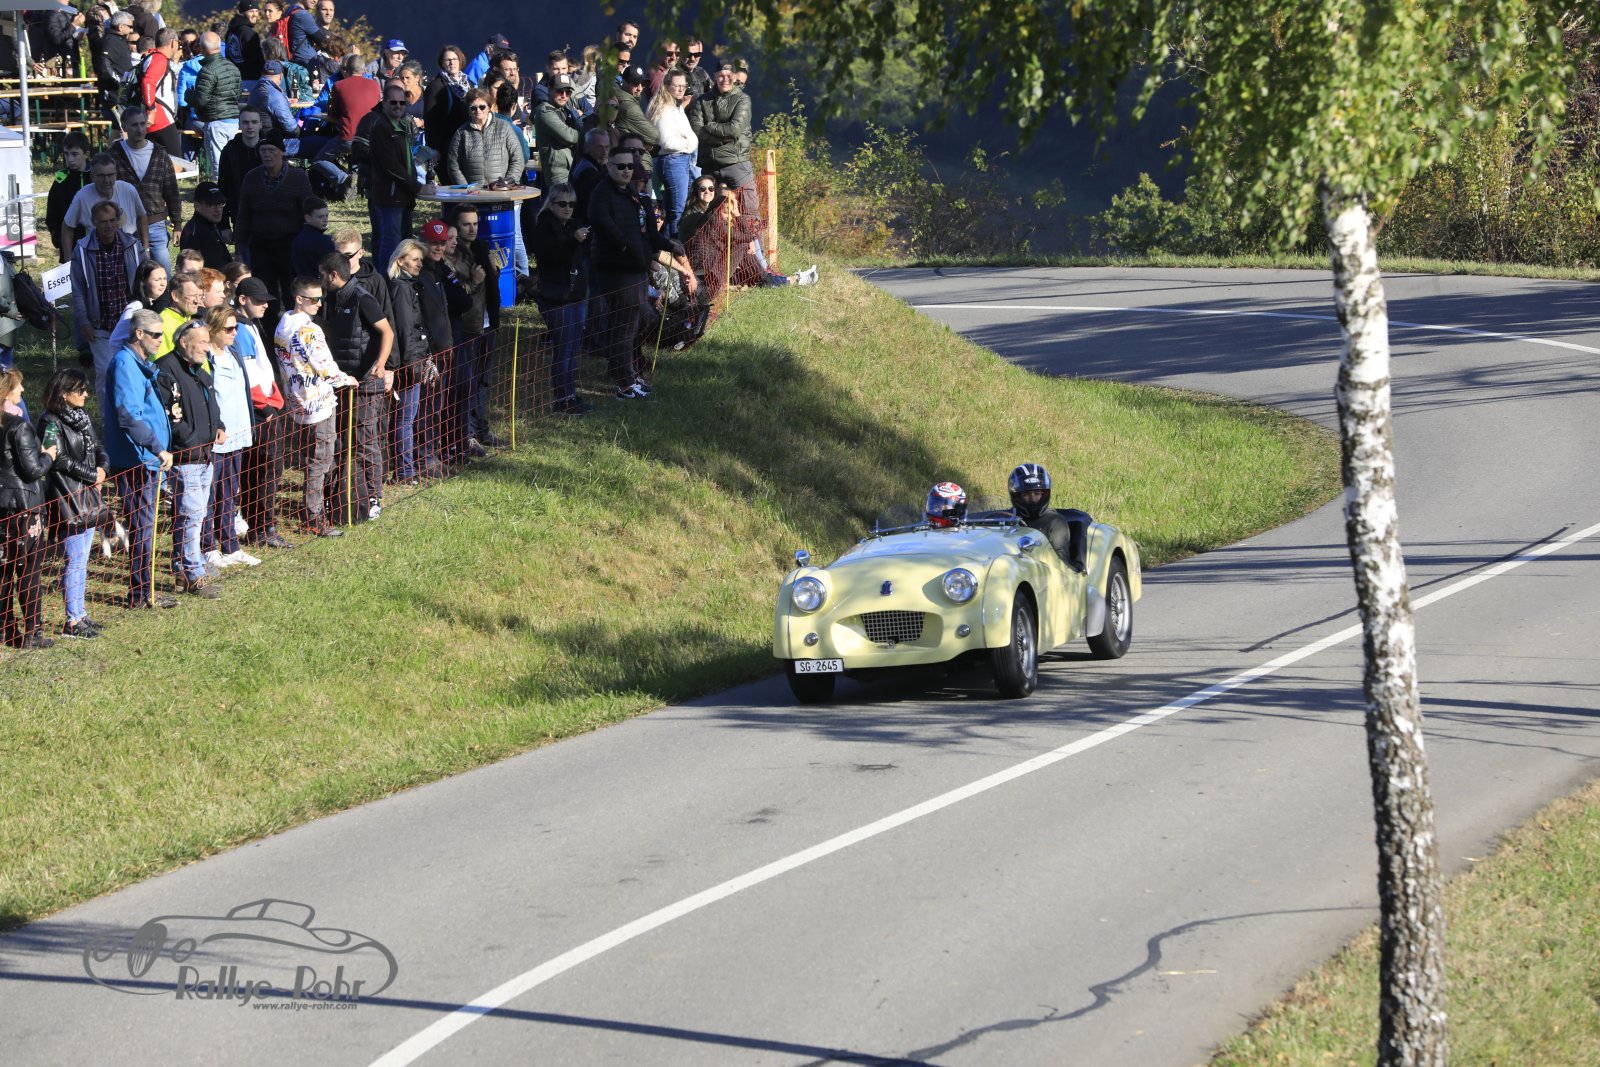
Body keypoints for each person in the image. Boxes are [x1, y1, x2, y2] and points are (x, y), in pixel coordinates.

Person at [587, 148, 695, 400]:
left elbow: (650, 235)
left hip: (637, 268)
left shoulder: (634, 196)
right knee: (622, 327)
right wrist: (626, 246)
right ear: (609, 167)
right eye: (620, 166)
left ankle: (628, 374)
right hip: (617, 270)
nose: (626, 171)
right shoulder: (602, 193)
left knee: (631, 326)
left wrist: (670, 245)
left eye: (630, 167)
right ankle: (624, 384)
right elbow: (603, 223)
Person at [104, 309, 176, 609]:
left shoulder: (140, 363)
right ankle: (140, 594)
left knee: (146, 526)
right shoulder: (125, 363)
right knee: (142, 527)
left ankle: (146, 591)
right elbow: (128, 415)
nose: (160, 340)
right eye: (156, 335)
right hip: (135, 460)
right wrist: (156, 447)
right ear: (139, 334)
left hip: (147, 457)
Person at [276, 276, 356, 537]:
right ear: (299, 299)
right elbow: (326, 368)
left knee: (311, 458)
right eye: (314, 299)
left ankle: (317, 509)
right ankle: (315, 516)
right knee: (320, 461)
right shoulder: (309, 330)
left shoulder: (283, 324)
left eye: (321, 298)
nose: (320, 304)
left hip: (296, 401)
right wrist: (346, 379)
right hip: (317, 403)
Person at [316, 251, 392, 524]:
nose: (320, 280)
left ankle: (373, 497)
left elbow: (387, 331)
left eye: (322, 275)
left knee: (365, 441)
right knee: (340, 441)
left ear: (333, 275)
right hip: (341, 382)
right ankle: (341, 494)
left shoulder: (361, 297)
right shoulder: (333, 299)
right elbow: (339, 333)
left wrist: (381, 364)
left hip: (365, 383)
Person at [155, 319, 226, 598]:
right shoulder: (166, 370)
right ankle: (192, 573)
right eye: (202, 342)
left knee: (197, 513)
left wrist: (218, 425)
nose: (207, 347)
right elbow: (171, 417)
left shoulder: (200, 369)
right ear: (184, 342)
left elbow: (211, 403)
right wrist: (193, 440)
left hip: (205, 453)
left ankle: (185, 568)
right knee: (191, 514)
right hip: (186, 456)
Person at [37, 368, 108, 639]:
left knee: (83, 559)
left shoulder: (82, 417)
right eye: (80, 390)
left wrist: (103, 468)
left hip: (88, 495)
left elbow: (98, 447)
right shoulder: (50, 421)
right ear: (63, 392)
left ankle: (81, 614)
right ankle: (72, 620)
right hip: (68, 498)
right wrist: (91, 475)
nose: (85, 394)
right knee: (75, 560)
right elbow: (58, 459)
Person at [196, 304, 257, 572]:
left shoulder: (234, 352)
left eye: (236, 328)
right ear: (213, 329)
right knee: (210, 496)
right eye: (228, 328)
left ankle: (231, 547)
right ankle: (208, 547)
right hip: (217, 439)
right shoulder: (206, 359)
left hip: (239, 434)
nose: (234, 333)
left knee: (230, 493)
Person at [233, 277, 292, 550]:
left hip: (266, 405)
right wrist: (266, 407)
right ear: (242, 299)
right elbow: (249, 374)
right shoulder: (241, 329)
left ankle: (258, 524)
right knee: (266, 469)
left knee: (259, 469)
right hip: (260, 411)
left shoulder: (250, 324)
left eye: (267, 301)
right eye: (259, 301)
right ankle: (263, 527)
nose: (265, 305)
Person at [0, 369, 55, 648]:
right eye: (18, 387)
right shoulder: (19, 426)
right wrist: (48, 456)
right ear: (7, 391)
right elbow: (33, 470)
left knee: (3, 569)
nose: (22, 391)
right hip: (23, 509)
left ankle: (5, 629)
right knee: (29, 570)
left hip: (2, 508)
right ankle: (33, 632)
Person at [70, 201, 145, 402]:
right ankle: (107, 416)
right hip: (100, 323)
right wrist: (83, 321)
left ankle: (130, 411)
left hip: (129, 321)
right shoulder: (83, 250)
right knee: (105, 371)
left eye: (112, 220)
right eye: (103, 221)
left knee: (131, 370)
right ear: (94, 222)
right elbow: (78, 290)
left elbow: (145, 279)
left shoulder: (132, 245)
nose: (109, 225)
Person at [531, 186, 591, 414]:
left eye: (571, 204)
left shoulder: (572, 226)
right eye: (562, 204)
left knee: (574, 347)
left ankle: (570, 394)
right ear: (551, 204)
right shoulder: (544, 227)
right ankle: (562, 399)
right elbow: (553, 257)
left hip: (576, 295)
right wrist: (574, 242)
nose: (567, 208)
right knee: (563, 349)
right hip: (556, 296)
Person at [235, 129, 313, 302]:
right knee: (265, 294)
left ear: (282, 152)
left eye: (272, 150)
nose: (267, 154)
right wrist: (240, 248)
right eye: (263, 150)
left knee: (291, 292)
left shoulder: (298, 177)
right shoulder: (251, 178)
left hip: (289, 245)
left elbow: (308, 211)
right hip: (260, 246)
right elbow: (243, 215)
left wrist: (306, 243)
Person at [354, 81, 423, 274]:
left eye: (402, 102)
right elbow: (389, 165)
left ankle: (402, 279)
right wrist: (417, 186)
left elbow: (406, 156)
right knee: (388, 242)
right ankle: (384, 280)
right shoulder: (378, 124)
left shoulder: (403, 123)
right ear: (383, 102)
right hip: (387, 193)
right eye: (393, 102)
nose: (398, 106)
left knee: (404, 240)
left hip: (404, 193)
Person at [385, 239, 438, 485]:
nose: (419, 264)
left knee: (407, 417)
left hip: (414, 359)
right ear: (400, 261)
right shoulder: (401, 288)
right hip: (409, 363)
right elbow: (404, 328)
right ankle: (405, 472)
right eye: (414, 259)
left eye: (420, 260)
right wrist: (411, 364)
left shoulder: (408, 286)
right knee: (405, 418)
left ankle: (405, 468)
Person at [449, 206, 503, 443]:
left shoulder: (481, 247)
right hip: (468, 326)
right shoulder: (453, 255)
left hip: (487, 322)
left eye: (475, 223)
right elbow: (457, 294)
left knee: (483, 380)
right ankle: (467, 434)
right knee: (467, 383)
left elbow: (490, 284)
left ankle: (482, 430)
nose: (472, 229)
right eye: (466, 224)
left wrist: (493, 272)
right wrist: (475, 280)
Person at [111, 108, 183, 275]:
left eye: (142, 124)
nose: (139, 129)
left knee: (163, 277)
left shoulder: (159, 153)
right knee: (132, 277)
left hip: (156, 225)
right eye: (134, 125)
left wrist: (177, 223)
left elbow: (171, 191)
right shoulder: (114, 154)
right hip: (126, 226)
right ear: (124, 127)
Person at [1008, 462, 1086, 572]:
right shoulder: (1007, 519)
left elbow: (1061, 564)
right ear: (1017, 496)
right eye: (1026, 495)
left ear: (1045, 494)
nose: (1033, 499)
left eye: (1037, 493)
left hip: (1044, 574)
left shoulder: (1055, 521)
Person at [62, 154, 150, 252]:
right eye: (101, 176)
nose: (107, 180)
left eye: (110, 175)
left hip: (130, 244)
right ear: (92, 177)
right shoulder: (82, 196)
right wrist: (68, 258)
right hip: (98, 247)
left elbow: (142, 216)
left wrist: (146, 249)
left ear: (116, 174)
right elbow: (67, 226)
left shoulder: (128, 190)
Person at [648, 68, 696, 238]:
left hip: (680, 161)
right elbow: (667, 141)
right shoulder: (663, 110)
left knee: (673, 210)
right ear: (667, 86)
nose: (682, 89)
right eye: (677, 86)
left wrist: (682, 107)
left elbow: (690, 135)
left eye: (684, 85)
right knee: (677, 211)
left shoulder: (675, 108)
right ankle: (670, 246)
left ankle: (665, 245)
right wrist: (687, 144)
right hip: (673, 161)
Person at [689, 65, 752, 192]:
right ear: (715, 77)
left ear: (734, 77)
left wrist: (710, 126)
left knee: (747, 203)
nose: (725, 79)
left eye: (729, 76)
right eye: (721, 76)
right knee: (707, 203)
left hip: (736, 163)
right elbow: (696, 130)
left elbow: (734, 129)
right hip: (709, 164)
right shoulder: (702, 100)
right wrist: (721, 140)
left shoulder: (743, 99)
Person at [190, 31, 242, 180]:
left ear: (202, 48)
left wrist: (189, 95)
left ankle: (221, 193)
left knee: (219, 166)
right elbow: (238, 94)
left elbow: (201, 100)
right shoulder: (232, 67)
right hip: (233, 120)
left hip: (216, 122)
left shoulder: (207, 70)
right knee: (233, 163)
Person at [444, 87, 523, 185]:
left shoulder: (504, 127)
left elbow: (518, 159)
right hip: (473, 192)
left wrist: (507, 183)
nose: (478, 110)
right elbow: (453, 164)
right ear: (468, 109)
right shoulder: (461, 133)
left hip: (501, 191)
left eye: (482, 107)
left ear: (489, 107)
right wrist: (465, 188)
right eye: (473, 108)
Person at [45, 132, 93, 263]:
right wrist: (59, 240)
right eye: (66, 154)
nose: (70, 159)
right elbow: (52, 216)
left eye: (75, 154)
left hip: (98, 245)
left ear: (86, 154)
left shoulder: (97, 177)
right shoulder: (60, 182)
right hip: (70, 247)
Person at [218, 107, 267, 226]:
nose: (250, 126)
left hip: (267, 215)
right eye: (245, 122)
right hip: (240, 215)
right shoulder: (229, 151)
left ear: (260, 124)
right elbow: (223, 187)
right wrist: (224, 225)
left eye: (254, 122)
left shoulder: (270, 149)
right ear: (239, 124)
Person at [533, 74, 582, 190]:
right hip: (558, 172)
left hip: (572, 168)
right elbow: (570, 136)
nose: (564, 95)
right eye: (560, 91)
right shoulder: (544, 112)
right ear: (549, 90)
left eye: (568, 92)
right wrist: (586, 135)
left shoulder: (565, 111)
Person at [139, 28, 184, 156]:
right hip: (160, 119)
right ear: (173, 42)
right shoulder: (159, 59)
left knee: (155, 161)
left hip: (155, 118)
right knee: (176, 161)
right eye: (179, 43)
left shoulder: (152, 56)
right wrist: (151, 110)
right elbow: (148, 82)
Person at [423, 45, 472, 157]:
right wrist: (433, 149)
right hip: (446, 147)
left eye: (455, 59)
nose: (452, 63)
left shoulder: (467, 84)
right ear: (442, 62)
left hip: (466, 144)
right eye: (448, 60)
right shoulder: (436, 86)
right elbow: (430, 120)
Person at [247, 59, 301, 150]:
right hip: (274, 144)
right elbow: (291, 129)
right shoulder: (274, 94)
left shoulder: (254, 91)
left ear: (262, 74)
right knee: (317, 141)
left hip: (258, 141)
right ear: (280, 76)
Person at [179, 182, 234, 268]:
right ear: (197, 205)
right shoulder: (195, 233)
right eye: (211, 204)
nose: (218, 209)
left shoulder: (211, 225)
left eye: (221, 203)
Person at [609, 65, 658, 152]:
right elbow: (655, 137)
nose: (640, 88)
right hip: (632, 155)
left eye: (643, 84)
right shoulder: (629, 107)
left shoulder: (621, 97)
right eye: (635, 83)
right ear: (624, 82)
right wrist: (645, 144)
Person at [569, 129, 609, 225]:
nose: (605, 152)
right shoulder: (589, 172)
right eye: (599, 147)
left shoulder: (586, 164)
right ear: (587, 147)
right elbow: (589, 207)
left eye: (607, 147)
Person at [290, 195, 334, 277]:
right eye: (320, 217)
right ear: (308, 218)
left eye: (326, 215)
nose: (325, 220)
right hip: (317, 282)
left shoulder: (297, 239)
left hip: (300, 283)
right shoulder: (323, 241)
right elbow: (333, 266)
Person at [226, 0, 266, 88]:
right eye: (251, 11)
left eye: (256, 11)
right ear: (243, 13)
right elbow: (256, 58)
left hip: (234, 79)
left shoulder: (231, 31)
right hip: (251, 79)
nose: (255, 14)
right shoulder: (247, 32)